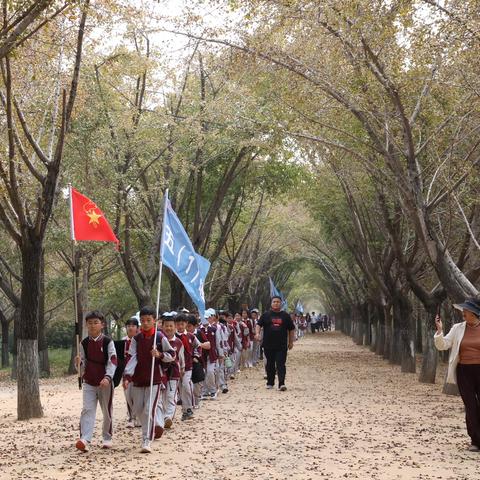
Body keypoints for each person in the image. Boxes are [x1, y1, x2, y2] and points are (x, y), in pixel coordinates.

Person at [122, 306, 175, 453]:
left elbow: (172, 354)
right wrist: (127, 376)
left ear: (154, 320)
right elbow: (132, 357)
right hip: (138, 379)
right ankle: (148, 431)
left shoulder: (160, 337)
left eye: (148, 320)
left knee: (148, 410)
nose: (145, 323)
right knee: (138, 409)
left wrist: (159, 355)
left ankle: (147, 439)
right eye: (143, 320)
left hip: (154, 380)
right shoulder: (137, 339)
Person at [434, 297, 480, 452]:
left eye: (465, 311)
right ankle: (475, 440)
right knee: (471, 406)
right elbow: (443, 345)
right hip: (464, 372)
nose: (463, 314)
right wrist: (439, 331)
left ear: (474, 313)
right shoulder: (458, 328)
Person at [76, 311, 117, 452]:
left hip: (105, 382)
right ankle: (85, 439)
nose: (92, 325)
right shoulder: (84, 343)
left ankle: (107, 437)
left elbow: (113, 361)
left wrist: (108, 377)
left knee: (106, 411)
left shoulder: (107, 342)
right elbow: (82, 366)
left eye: (95, 322)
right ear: (86, 325)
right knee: (87, 409)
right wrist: (79, 364)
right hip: (89, 382)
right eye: (89, 323)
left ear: (102, 325)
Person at [255, 296, 295, 391]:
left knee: (281, 364)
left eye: (278, 302)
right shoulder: (266, 315)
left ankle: (281, 383)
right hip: (268, 345)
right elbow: (258, 325)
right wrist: (257, 333)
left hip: (281, 345)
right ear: (271, 303)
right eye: (274, 302)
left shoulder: (285, 316)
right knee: (270, 364)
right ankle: (270, 382)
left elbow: (291, 329)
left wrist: (291, 342)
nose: (276, 303)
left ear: (281, 303)